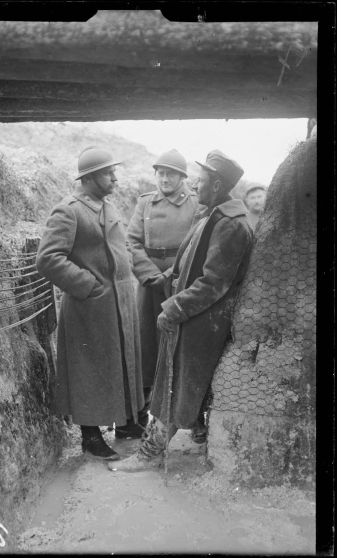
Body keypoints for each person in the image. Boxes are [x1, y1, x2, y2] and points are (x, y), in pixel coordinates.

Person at [109, 149, 254, 472]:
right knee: (175, 380)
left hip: (203, 320)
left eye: (201, 182)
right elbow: (188, 264)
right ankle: (175, 440)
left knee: (173, 383)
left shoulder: (229, 224)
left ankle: (151, 452)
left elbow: (213, 283)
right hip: (195, 314)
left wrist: (173, 308)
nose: (196, 187)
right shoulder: (213, 216)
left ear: (216, 186)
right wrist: (167, 284)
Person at [36, 146, 145, 461]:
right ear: (90, 177)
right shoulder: (69, 210)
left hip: (118, 306)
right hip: (90, 308)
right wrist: (88, 286)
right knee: (90, 370)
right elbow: (47, 258)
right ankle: (90, 437)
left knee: (119, 365)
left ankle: (125, 425)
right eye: (109, 172)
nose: (114, 177)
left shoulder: (107, 206)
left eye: (114, 171)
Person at [126, 149, 199, 435]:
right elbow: (131, 242)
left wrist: (171, 274)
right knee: (146, 341)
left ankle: (191, 417)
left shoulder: (194, 203)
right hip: (149, 281)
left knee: (182, 341)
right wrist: (148, 274)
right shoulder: (145, 202)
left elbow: (195, 243)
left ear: (183, 177)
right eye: (161, 173)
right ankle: (143, 409)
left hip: (181, 278)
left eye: (171, 173)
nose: (165, 178)